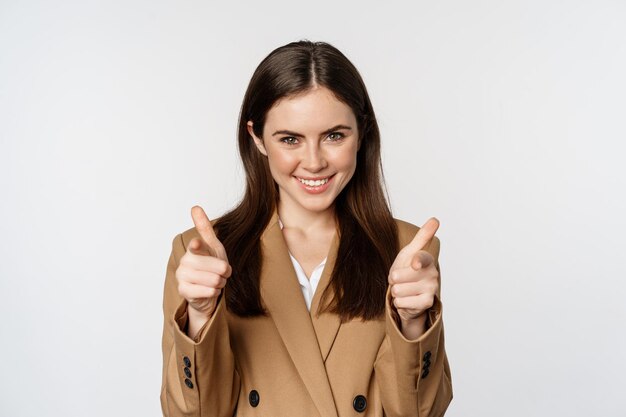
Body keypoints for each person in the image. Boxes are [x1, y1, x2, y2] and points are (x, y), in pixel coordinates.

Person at [160, 40, 452, 417]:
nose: (314, 162)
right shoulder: (202, 255)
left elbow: (419, 413)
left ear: (361, 132)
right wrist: (199, 316)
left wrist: (412, 325)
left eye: (334, 136)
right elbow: (192, 414)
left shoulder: (407, 251)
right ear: (257, 138)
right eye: (290, 139)